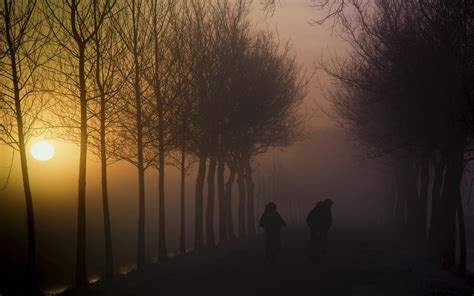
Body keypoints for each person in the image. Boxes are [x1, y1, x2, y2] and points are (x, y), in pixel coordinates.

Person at [306, 198, 333, 263]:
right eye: (330, 204)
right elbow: (310, 219)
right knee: (315, 243)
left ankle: (318, 256)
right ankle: (314, 257)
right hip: (316, 229)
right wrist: (314, 228)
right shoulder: (320, 209)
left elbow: (328, 221)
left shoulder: (326, 209)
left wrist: (325, 228)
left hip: (321, 230)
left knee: (320, 242)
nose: (330, 206)